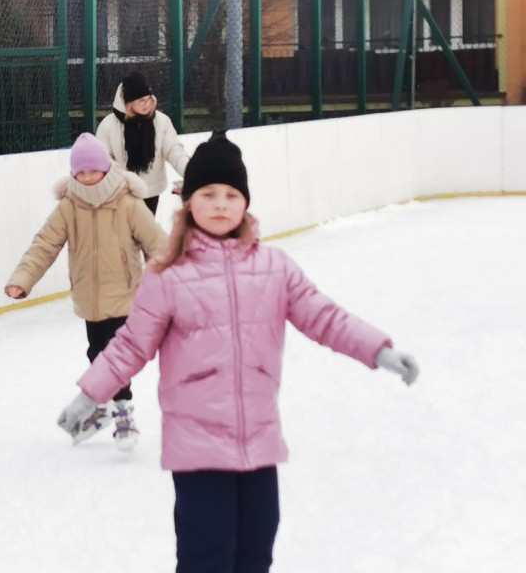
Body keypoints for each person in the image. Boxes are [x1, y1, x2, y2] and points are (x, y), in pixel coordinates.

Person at [56, 132, 420, 573]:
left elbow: (324, 317)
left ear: (245, 202)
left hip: (259, 442)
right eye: (208, 193)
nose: (221, 203)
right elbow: (132, 344)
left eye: (232, 194)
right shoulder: (167, 274)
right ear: (188, 202)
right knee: (207, 556)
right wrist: (90, 394)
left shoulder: (274, 267)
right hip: (198, 446)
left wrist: (378, 350)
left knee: (255, 553)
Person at [5, 132, 167, 451]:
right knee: (97, 355)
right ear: (73, 174)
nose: (88, 177)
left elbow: (157, 244)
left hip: (125, 296)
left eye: (94, 171)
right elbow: (45, 245)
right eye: (81, 172)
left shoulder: (127, 202)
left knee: (113, 358)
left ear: (106, 170)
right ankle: (105, 407)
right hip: (89, 299)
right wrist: (22, 279)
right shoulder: (69, 207)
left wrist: (168, 283)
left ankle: (124, 413)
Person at [95, 71, 189, 215]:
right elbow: (102, 161)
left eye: (148, 99)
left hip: (150, 192)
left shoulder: (161, 121)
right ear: (128, 103)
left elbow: (174, 151)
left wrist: (192, 174)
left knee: (145, 235)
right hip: (120, 193)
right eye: (141, 101)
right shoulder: (108, 126)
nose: (146, 104)